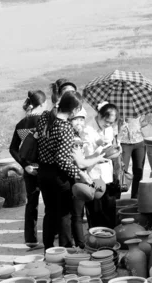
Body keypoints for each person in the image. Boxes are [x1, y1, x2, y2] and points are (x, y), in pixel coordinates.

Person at [36, 91, 92, 249]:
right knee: (64, 214)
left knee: (50, 212)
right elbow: (62, 159)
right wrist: (80, 174)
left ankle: (48, 249)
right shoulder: (65, 128)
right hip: (58, 177)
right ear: (74, 110)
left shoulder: (45, 117)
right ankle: (66, 249)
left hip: (43, 173)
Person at [9, 90, 47, 249]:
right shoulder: (45, 121)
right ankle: (52, 236)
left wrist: (25, 165)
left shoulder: (21, 124)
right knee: (50, 204)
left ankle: (31, 240)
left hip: (28, 169)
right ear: (43, 104)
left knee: (31, 203)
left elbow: (13, 149)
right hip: (45, 168)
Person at [69, 107, 109, 247]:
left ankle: (91, 240)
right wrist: (96, 159)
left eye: (82, 119)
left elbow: (85, 159)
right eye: (76, 119)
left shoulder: (82, 134)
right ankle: (79, 245)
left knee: (88, 211)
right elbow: (80, 162)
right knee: (77, 214)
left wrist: (98, 154)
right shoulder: (73, 138)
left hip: (83, 175)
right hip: (76, 177)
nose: (80, 122)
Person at [83, 102, 120, 228]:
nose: (108, 125)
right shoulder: (88, 129)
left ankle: (110, 234)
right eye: (106, 121)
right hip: (93, 174)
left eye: (111, 122)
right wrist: (99, 146)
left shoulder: (109, 129)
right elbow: (86, 156)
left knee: (109, 207)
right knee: (95, 210)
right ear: (99, 114)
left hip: (106, 173)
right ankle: (96, 237)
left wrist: (115, 148)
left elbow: (110, 147)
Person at [119, 114, 151, 198]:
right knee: (121, 172)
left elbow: (147, 120)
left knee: (139, 171)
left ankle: (135, 198)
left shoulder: (139, 104)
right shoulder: (120, 105)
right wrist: (121, 123)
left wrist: (138, 124)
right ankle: (116, 200)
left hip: (140, 141)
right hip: (123, 142)